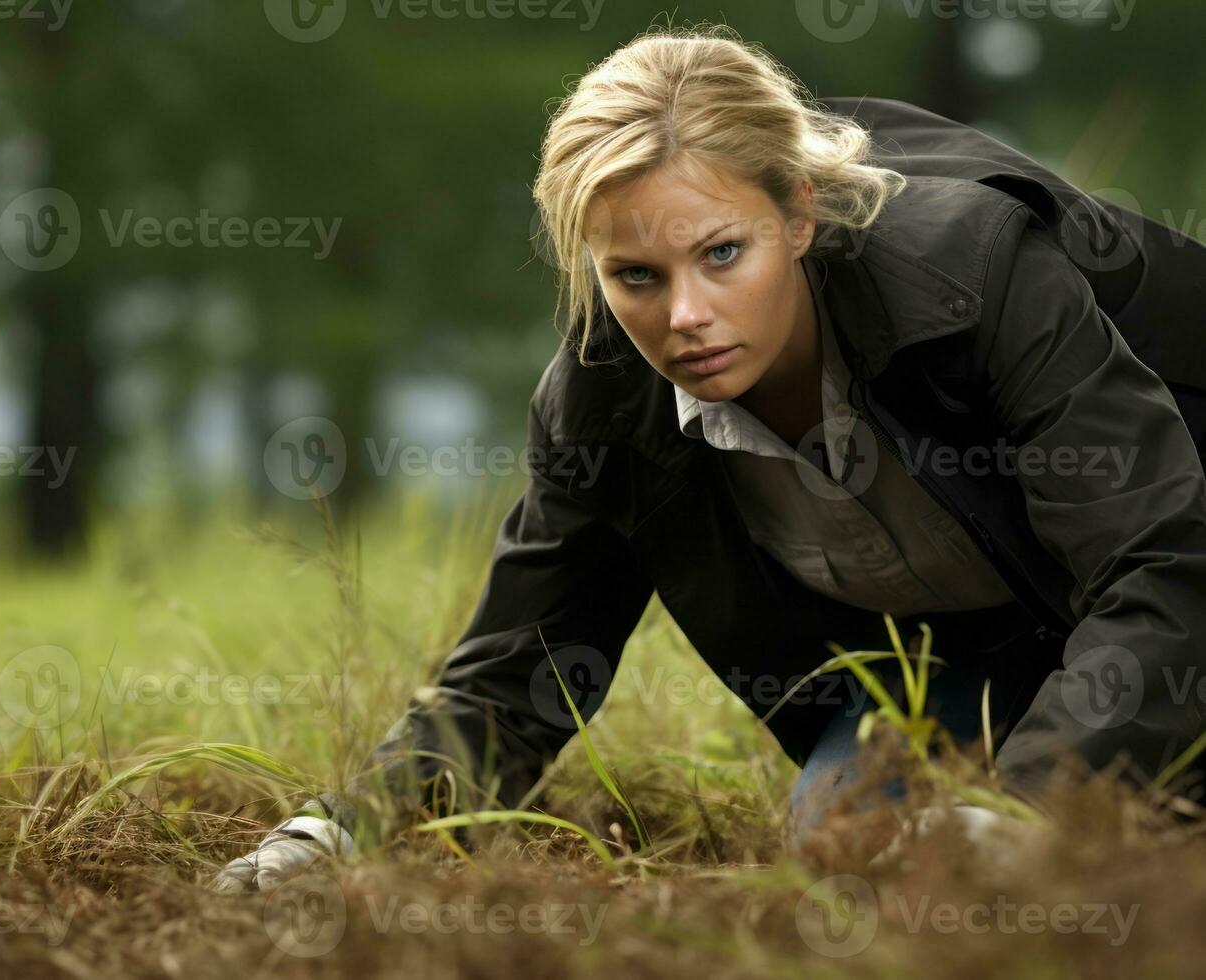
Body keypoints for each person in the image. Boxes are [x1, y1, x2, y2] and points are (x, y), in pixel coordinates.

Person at [212, 24, 1206, 894]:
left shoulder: (975, 276)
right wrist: (338, 828)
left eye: (722, 253)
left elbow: (1162, 566)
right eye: (635, 275)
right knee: (846, 839)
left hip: (1172, 602)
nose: (684, 316)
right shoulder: (602, 406)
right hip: (981, 659)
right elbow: (514, 676)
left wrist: (1023, 807)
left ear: (798, 215)